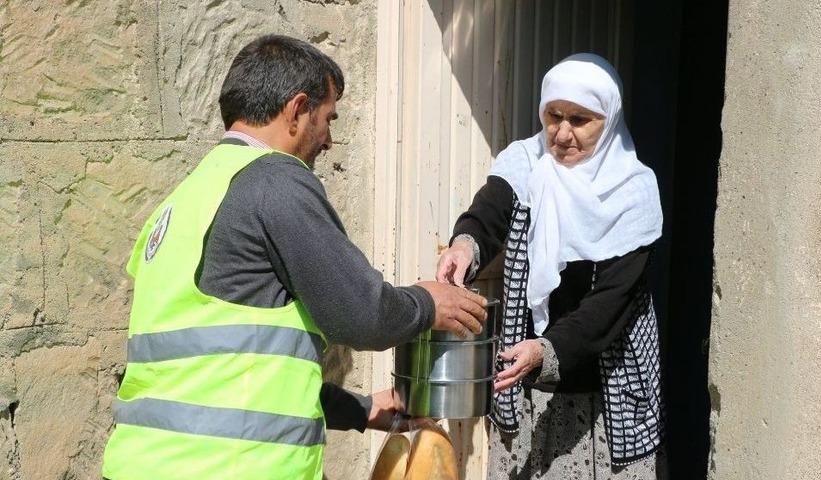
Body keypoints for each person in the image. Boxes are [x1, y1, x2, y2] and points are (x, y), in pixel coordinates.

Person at [101, 35, 487, 480]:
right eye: (327, 119)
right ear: (298, 109)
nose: (329, 140)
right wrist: (428, 302)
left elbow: (226, 371)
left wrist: (362, 410)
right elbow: (362, 315)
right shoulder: (278, 181)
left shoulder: (184, 199)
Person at [436, 53, 666, 479]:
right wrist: (464, 247)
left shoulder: (633, 194)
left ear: (609, 120)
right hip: (529, 387)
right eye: (553, 116)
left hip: (607, 396)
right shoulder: (526, 163)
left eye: (580, 120)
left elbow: (611, 303)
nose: (561, 133)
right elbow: (489, 213)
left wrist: (546, 350)